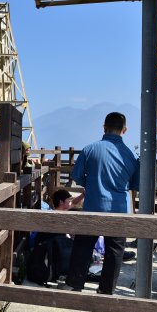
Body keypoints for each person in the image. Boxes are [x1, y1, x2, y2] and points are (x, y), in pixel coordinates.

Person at [60, 112, 139, 295]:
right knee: (115, 251)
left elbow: (78, 177)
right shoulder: (130, 155)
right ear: (124, 130)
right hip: (119, 209)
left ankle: (74, 284)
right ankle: (106, 290)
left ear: (104, 127)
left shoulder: (90, 149)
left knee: (83, 246)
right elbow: (135, 184)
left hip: (93, 206)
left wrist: (94, 184)